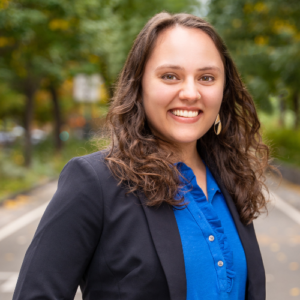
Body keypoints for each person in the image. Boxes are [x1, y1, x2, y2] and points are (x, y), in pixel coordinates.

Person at [13, 12, 270, 300]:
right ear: (140, 85)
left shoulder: (230, 178)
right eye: (170, 76)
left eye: (206, 77)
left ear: (224, 89)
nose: (190, 92)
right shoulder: (94, 182)